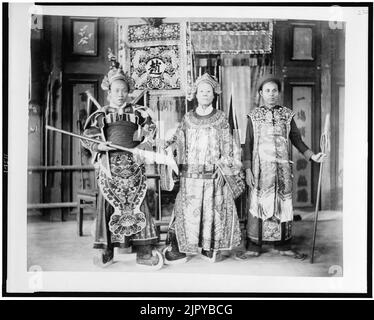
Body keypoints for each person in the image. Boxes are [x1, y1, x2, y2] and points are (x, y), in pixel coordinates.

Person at [81, 56, 163, 269]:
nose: (119, 94)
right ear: (108, 93)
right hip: (110, 168)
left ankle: (144, 251)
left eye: (123, 90)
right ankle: (106, 250)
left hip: (133, 166)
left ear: (128, 92)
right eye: (115, 91)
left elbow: (150, 133)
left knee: (138, 204)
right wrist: (99, 146)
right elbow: (87, 136)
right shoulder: (100, 114)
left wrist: (143, 144)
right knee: (109, 205)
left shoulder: (139, 113)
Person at [236, 75, 326, 260]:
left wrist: (312, 155)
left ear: (279, 93)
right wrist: (247, 170)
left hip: (282, 172)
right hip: (260, 172)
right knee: (258, 205)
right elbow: (248, 145)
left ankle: (284, 245)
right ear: (261, 93)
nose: (271, 94)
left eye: (274, 91)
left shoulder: (287, 115)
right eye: (267, 91)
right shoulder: (253, 117)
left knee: (283, 206)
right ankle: (254, 246)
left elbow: (297, 140)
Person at [162, 73, 244, 264]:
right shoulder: (188, 118)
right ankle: (180, 248)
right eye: (201, 91)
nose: (205, 94)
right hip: (190, 175)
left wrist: (223, 167)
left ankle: (210, 247)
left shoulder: (221, 118)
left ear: (214, 94)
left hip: (213, 175)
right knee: (185, 210)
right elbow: (177, 140)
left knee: (212, 212)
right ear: (196, 94)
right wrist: (168, 146)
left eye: (208, 91)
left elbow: (230, 146)